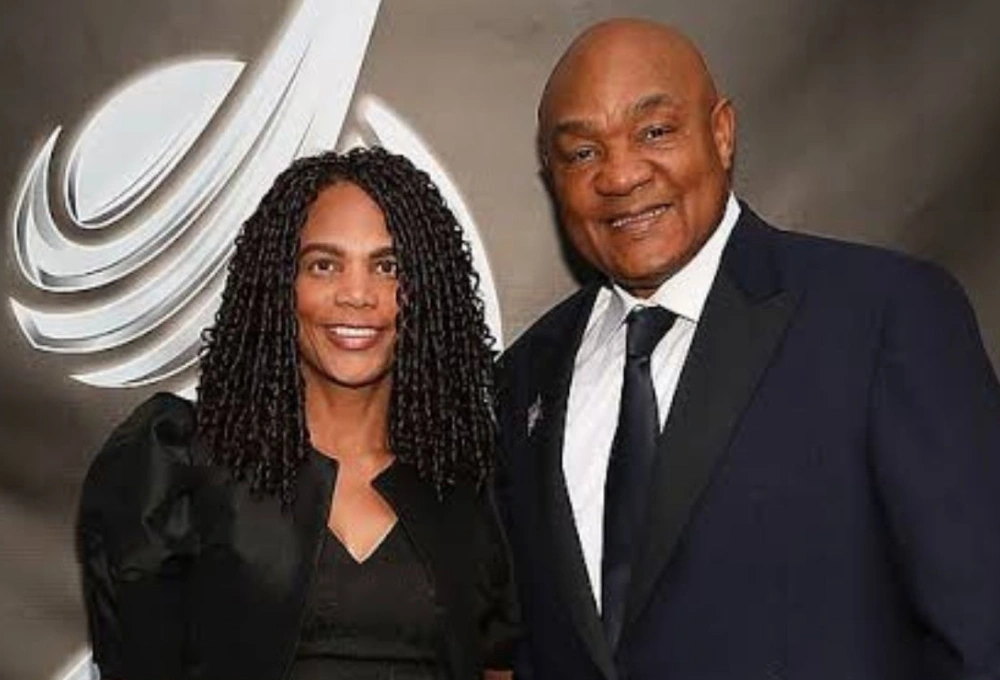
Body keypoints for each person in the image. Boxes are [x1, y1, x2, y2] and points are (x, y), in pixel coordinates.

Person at [496, 18, 1000, 680]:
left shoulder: (883, 317)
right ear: (552, 177)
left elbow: (981, 628)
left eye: (654, 131)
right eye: (582, 153)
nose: (619, 175)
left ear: (722, 132)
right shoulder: (524, 378)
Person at [76, 147, 518, 680]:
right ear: (279, 285)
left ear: (428, 292)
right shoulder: (178, 464)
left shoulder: (473, 482)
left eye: (389, 266)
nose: (357, 294)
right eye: (324, 265)